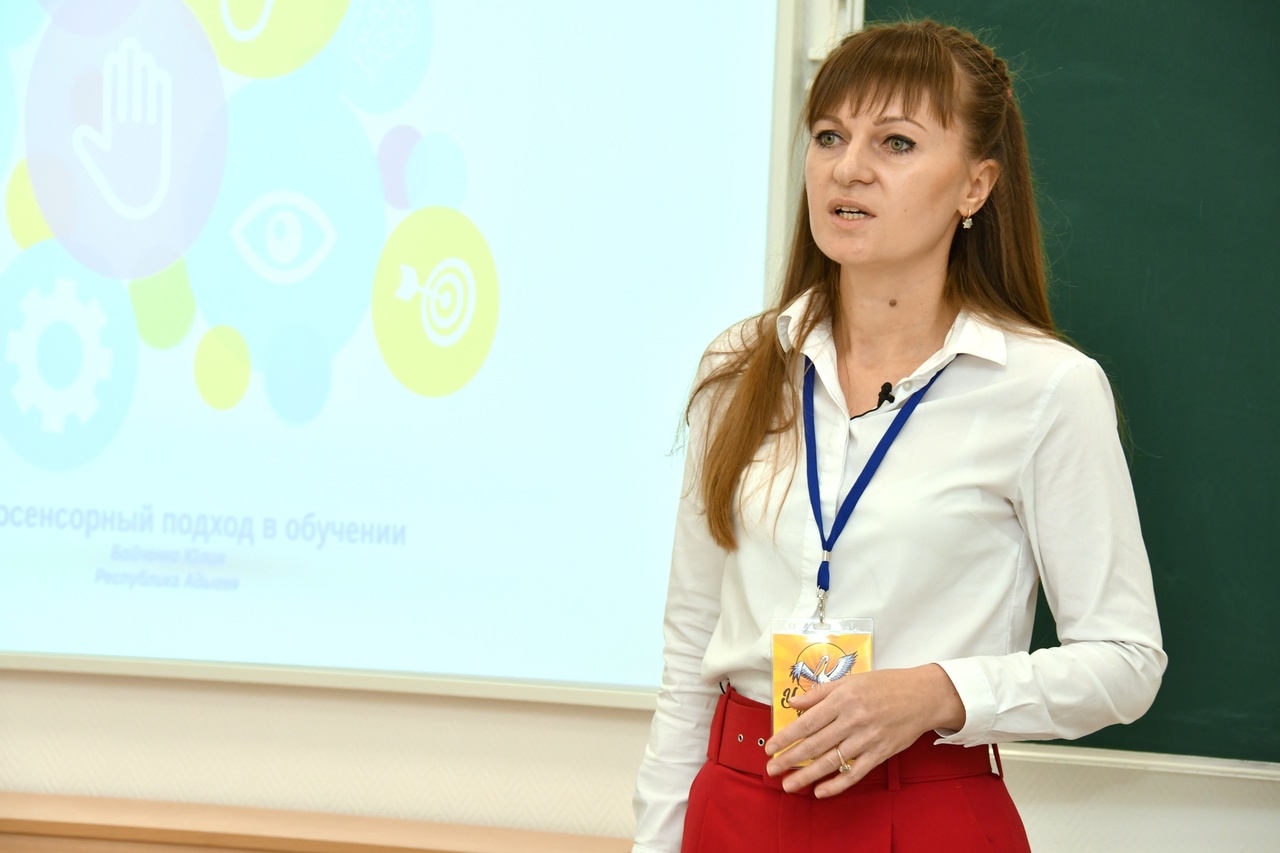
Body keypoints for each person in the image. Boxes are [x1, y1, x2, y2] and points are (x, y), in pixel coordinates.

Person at [631, 19, 1166, 853]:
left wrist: (938, 692)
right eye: (829, 136)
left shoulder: (1046, 388)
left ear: (975, 186)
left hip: (925, 806)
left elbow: (1126, 660)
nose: (848, 167)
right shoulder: (740, 366)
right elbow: (689, 649)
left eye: (897, 142)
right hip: (735, 802)